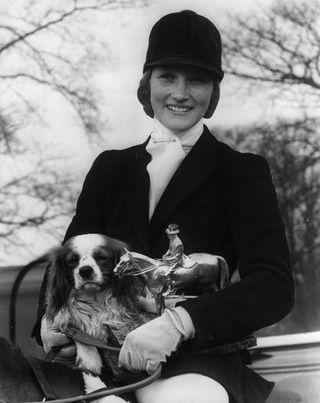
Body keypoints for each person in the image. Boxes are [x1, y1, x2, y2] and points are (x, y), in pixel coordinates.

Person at [34, 9, 294, 403]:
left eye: (197, 79)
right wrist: (49, 324)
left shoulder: (241, 172)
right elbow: (64, 264)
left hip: (196, 360)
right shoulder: (110, 168)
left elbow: (274, 286)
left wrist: (179, 323)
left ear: (213, 92)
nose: (180, 92)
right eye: (167, 76)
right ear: (147, 84)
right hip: (100, 357)